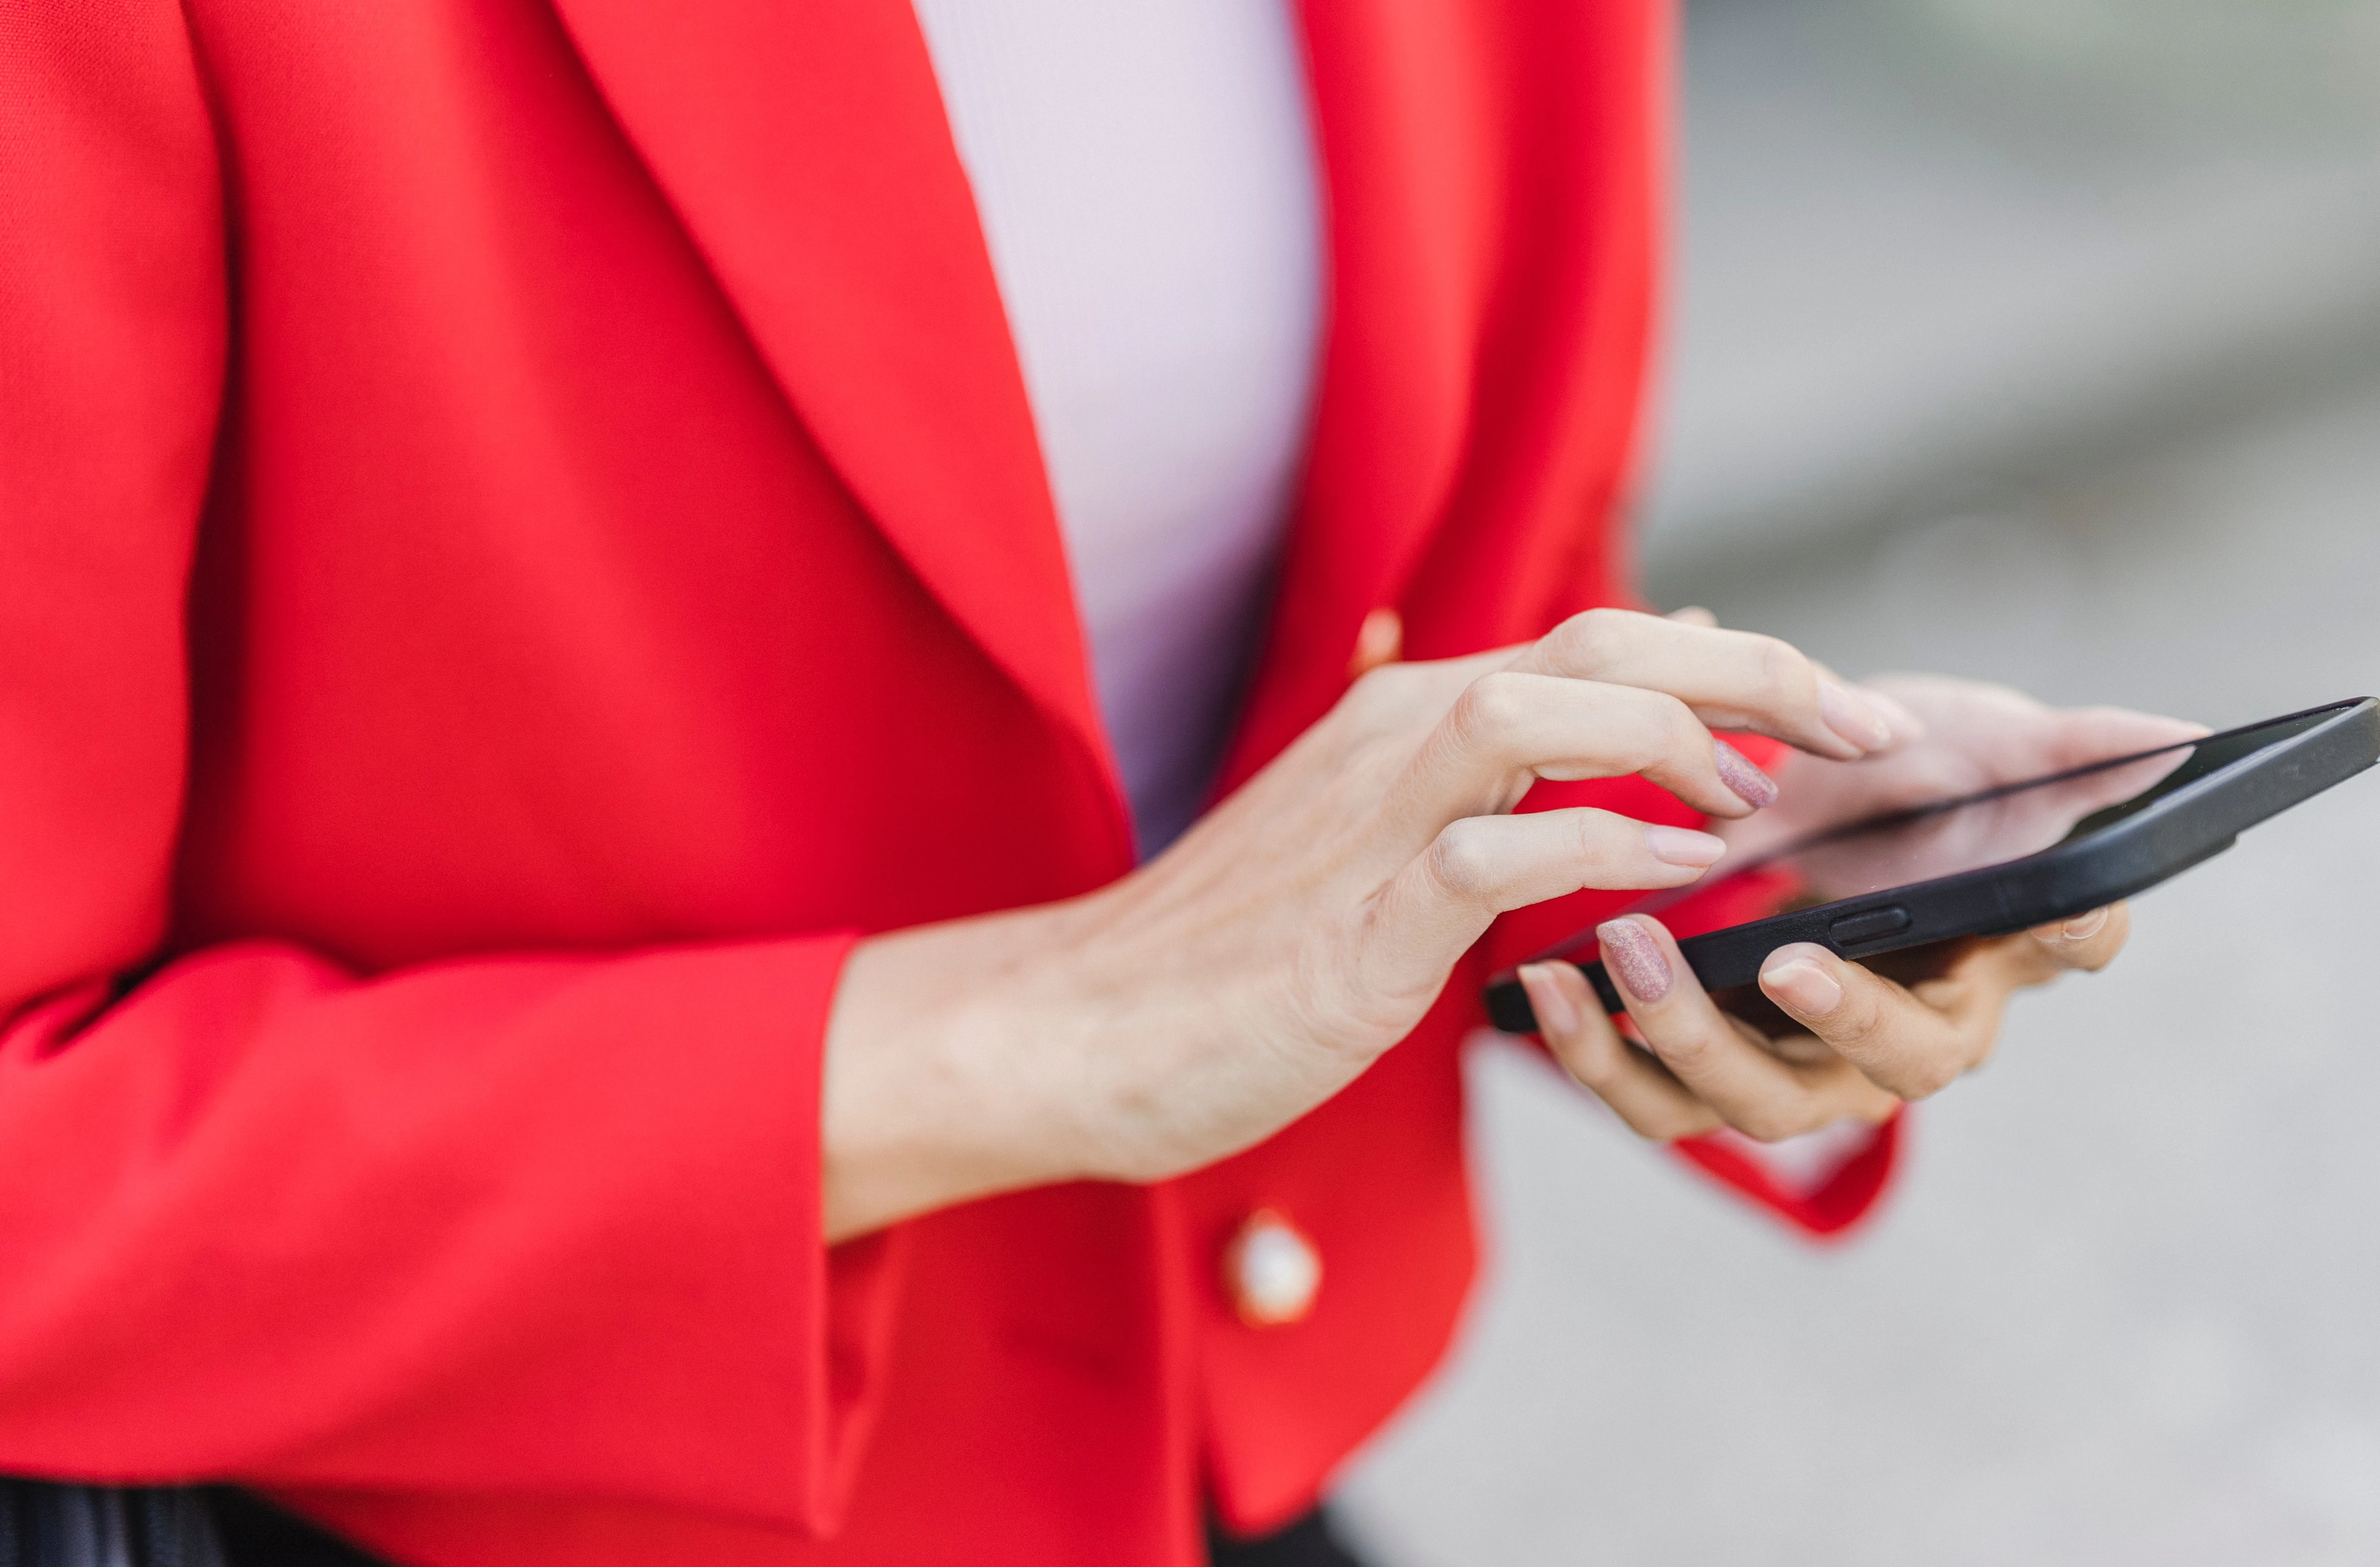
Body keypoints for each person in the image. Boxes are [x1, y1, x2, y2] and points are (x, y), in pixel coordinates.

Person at [0, 1, 2192, 1563]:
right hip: (420, 1504)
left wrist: (1698, 853)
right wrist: (1059, 1026)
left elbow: (1414, 637)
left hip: (1197, 1463)